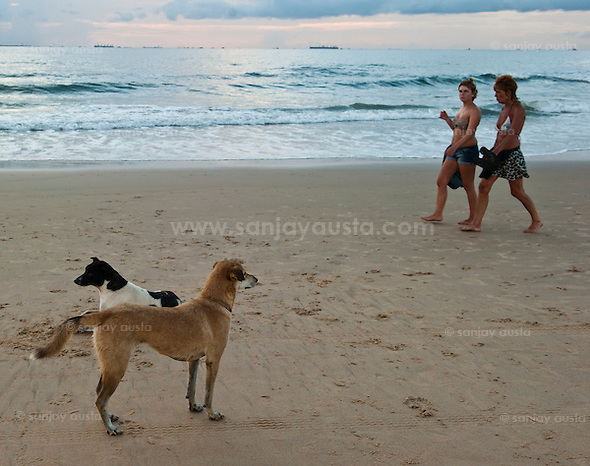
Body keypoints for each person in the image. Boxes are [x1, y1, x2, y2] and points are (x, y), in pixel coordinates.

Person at [461, 75, 543, 233]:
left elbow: (514, 133)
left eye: (498, 92)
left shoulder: (518, 109)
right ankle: (476, 224)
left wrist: (497, 152)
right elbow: (501, 134)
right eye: (495, 92)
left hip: (511, 154)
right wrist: (493, 151)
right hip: (497, 152)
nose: (495, 95)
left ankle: (537, 220)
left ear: (509, 92)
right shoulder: (504, 108)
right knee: (484, 186)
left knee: (517, 191)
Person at [422, 78, 481, 225]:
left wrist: (455, 147)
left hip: (467, 151)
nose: (462, 94)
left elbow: (469, 134)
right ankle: (438, 214)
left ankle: (473, 217)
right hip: (454, 149)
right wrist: (447, 119)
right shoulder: (461, 109)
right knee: (441, 181)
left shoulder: (474, 111)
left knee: (468, 185)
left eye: (466, 91)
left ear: (473, 94)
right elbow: (457, 129)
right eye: (460, 91)